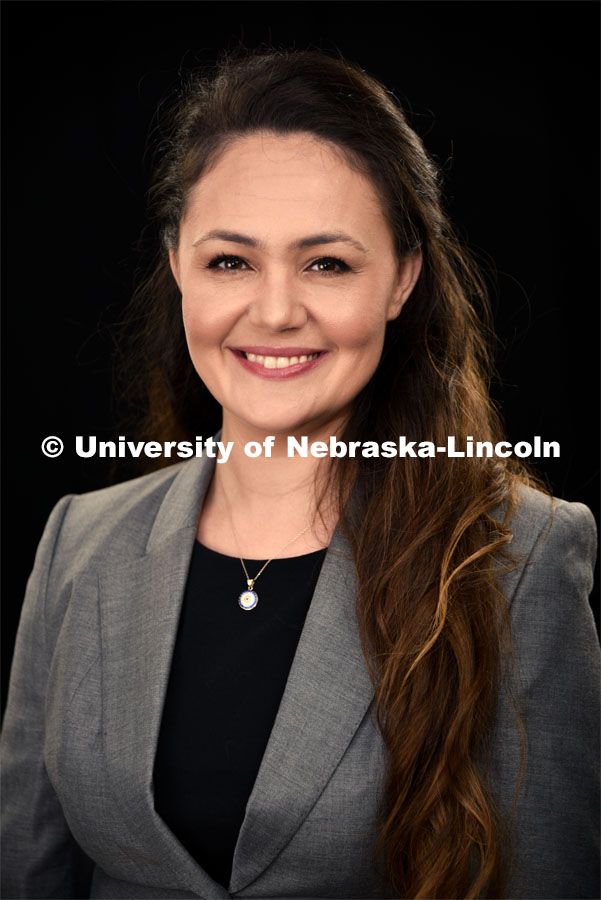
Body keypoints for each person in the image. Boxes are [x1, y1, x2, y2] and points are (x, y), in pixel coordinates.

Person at [1, 47, 599, 900]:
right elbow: (26, 872)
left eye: (326, 262)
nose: (276, 310)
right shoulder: (78, 542)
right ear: (178, 268)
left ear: (401, 278)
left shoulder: (521, 557)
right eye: (230, 261)